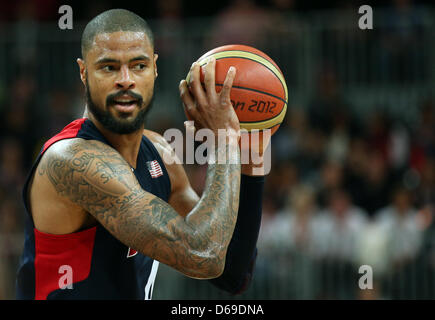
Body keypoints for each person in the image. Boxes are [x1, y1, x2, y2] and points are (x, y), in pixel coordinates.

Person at [16, 9, 266, 300]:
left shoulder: (160, 152)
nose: (126, 80)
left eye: (138, 66)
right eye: (109, 67)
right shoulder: (71, 160)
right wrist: (224, 140)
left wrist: (251, 159)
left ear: (155, 68)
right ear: (83, 72)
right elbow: (203, 253)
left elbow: (230, 273)